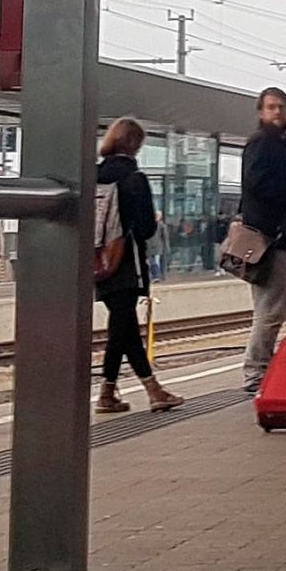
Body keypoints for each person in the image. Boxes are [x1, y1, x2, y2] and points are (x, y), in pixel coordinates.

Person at [91, 116, 179, 415]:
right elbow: (144, 229)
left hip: (97, 257)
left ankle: (109, 392)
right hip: (125, 260)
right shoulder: (134, 178)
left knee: (121, 325)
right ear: (135, 144)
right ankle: (151, 389)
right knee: (123, 326)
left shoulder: (95, 174)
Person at [236, 88, 286, 379]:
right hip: (270, 237)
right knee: (270, 310)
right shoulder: (264, 143)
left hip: (274, 234)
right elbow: (258, 185)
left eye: (282, 107)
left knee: (269, 308)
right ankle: (256, 371)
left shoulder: (280, 143)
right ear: (261, 112)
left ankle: (259, 368)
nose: (278, 112)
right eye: (271, 107)